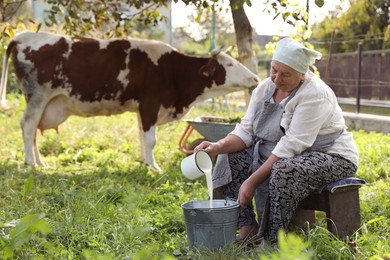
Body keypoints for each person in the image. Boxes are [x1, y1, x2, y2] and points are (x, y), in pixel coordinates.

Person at [194, 38, 359, 244]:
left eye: (285, 74)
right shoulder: (265, 89)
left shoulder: (315, 94)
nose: (277, 78)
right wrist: (217, 147)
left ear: (301, 74)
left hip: (332, 156)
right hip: (285, 153)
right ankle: (249, 228)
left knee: (284, 170)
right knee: (231, 156)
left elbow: (290, 146)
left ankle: (273, 241)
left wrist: (251, 182)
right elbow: (246, 130)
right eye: (273, 70)